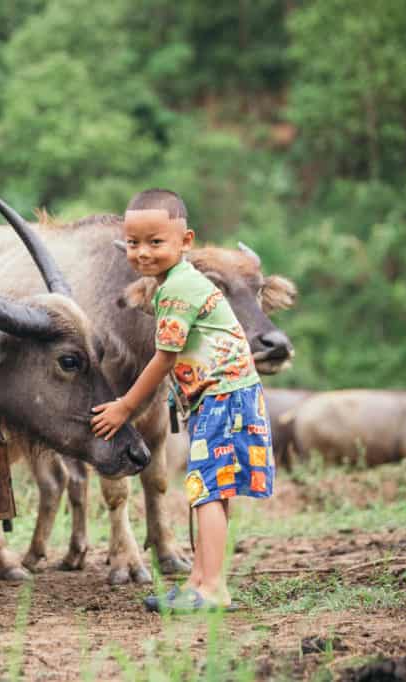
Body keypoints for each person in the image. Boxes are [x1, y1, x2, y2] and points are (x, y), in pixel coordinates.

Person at [90, 188, 273, 613]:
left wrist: (124, 407)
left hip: (222, 399)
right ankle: (200, 579)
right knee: (209, 490)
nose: (143, 253)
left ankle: (211, 589)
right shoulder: (180, 282)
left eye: (156, 242)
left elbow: (162, 359)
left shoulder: (176, 291)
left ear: (185, 242)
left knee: (208, 491)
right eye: (133, 243)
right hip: (226, 395)